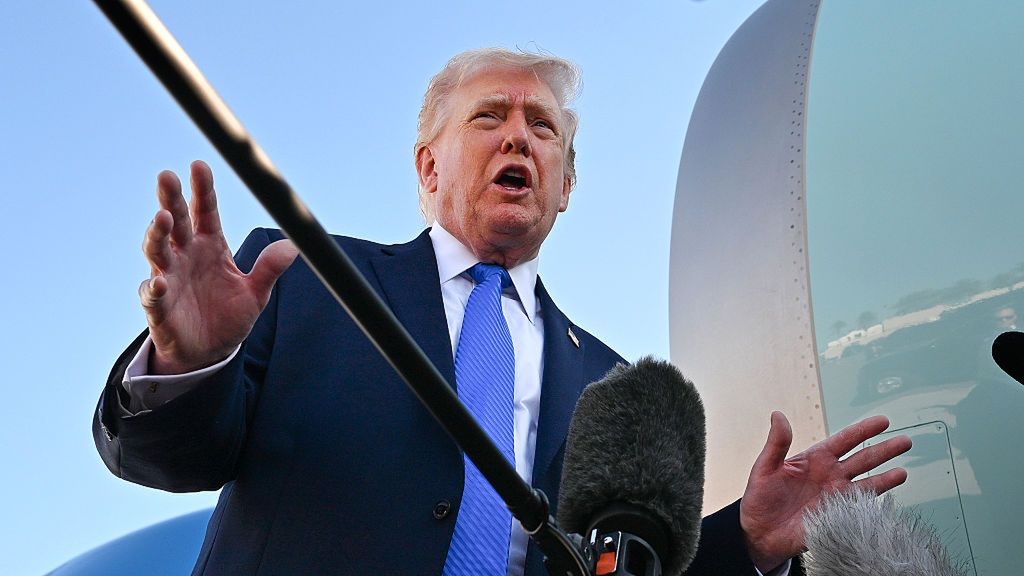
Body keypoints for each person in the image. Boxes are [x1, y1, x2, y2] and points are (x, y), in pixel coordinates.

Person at [93, 48, 911, 576]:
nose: (518, 138)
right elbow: (164, 458)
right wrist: (190, 363)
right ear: (429, 166)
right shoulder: (301, 280)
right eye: (490, 117)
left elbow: (626, 569)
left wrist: (746, 538)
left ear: (566, 186)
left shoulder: (618, 386)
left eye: (543, 129)